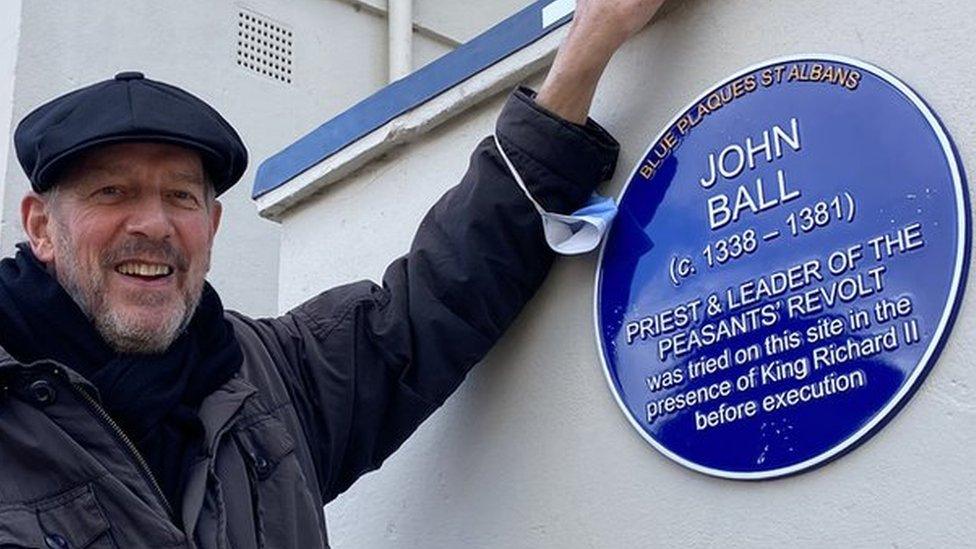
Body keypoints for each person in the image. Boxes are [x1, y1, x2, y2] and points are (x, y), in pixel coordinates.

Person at [0, 0, 665, 547]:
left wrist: (591, 43)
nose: (153, 224)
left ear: (213, 227)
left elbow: (437, 299)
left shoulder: (271, 378)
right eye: (112, 193)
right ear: (39, 227)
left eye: (180, 195)